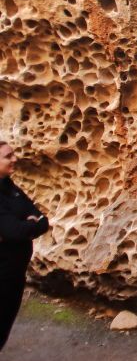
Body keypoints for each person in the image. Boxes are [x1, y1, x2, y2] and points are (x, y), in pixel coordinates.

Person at [0, 140, 49, 351]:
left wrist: (29, 224)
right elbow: (12, 231)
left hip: (14, 275)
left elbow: (42, 220)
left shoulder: (10, 187)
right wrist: (28, 224)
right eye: (8, 156)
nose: (15, 159)